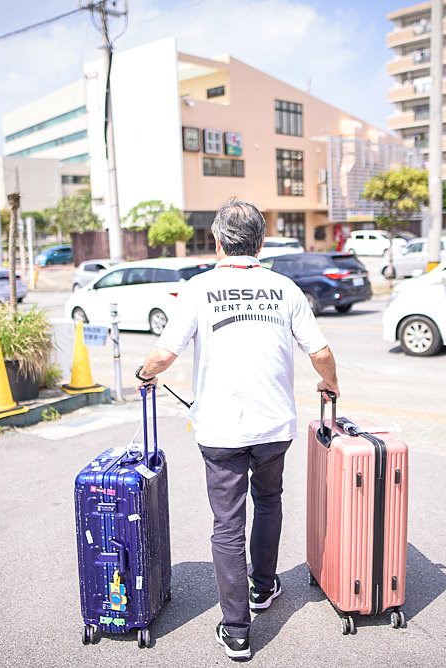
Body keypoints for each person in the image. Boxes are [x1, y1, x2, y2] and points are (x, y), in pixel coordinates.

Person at [136, 198, 339, 661]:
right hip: (274, 426)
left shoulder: (199, 288)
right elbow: (321, 352)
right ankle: (263, 588)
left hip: (221, 431)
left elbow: (164, 354)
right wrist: (329, 384)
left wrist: (145, 375)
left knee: (227, 523)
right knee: (268, 501)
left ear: (217, 240)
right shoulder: (283, 287)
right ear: (261, 243)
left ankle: (237, 631)